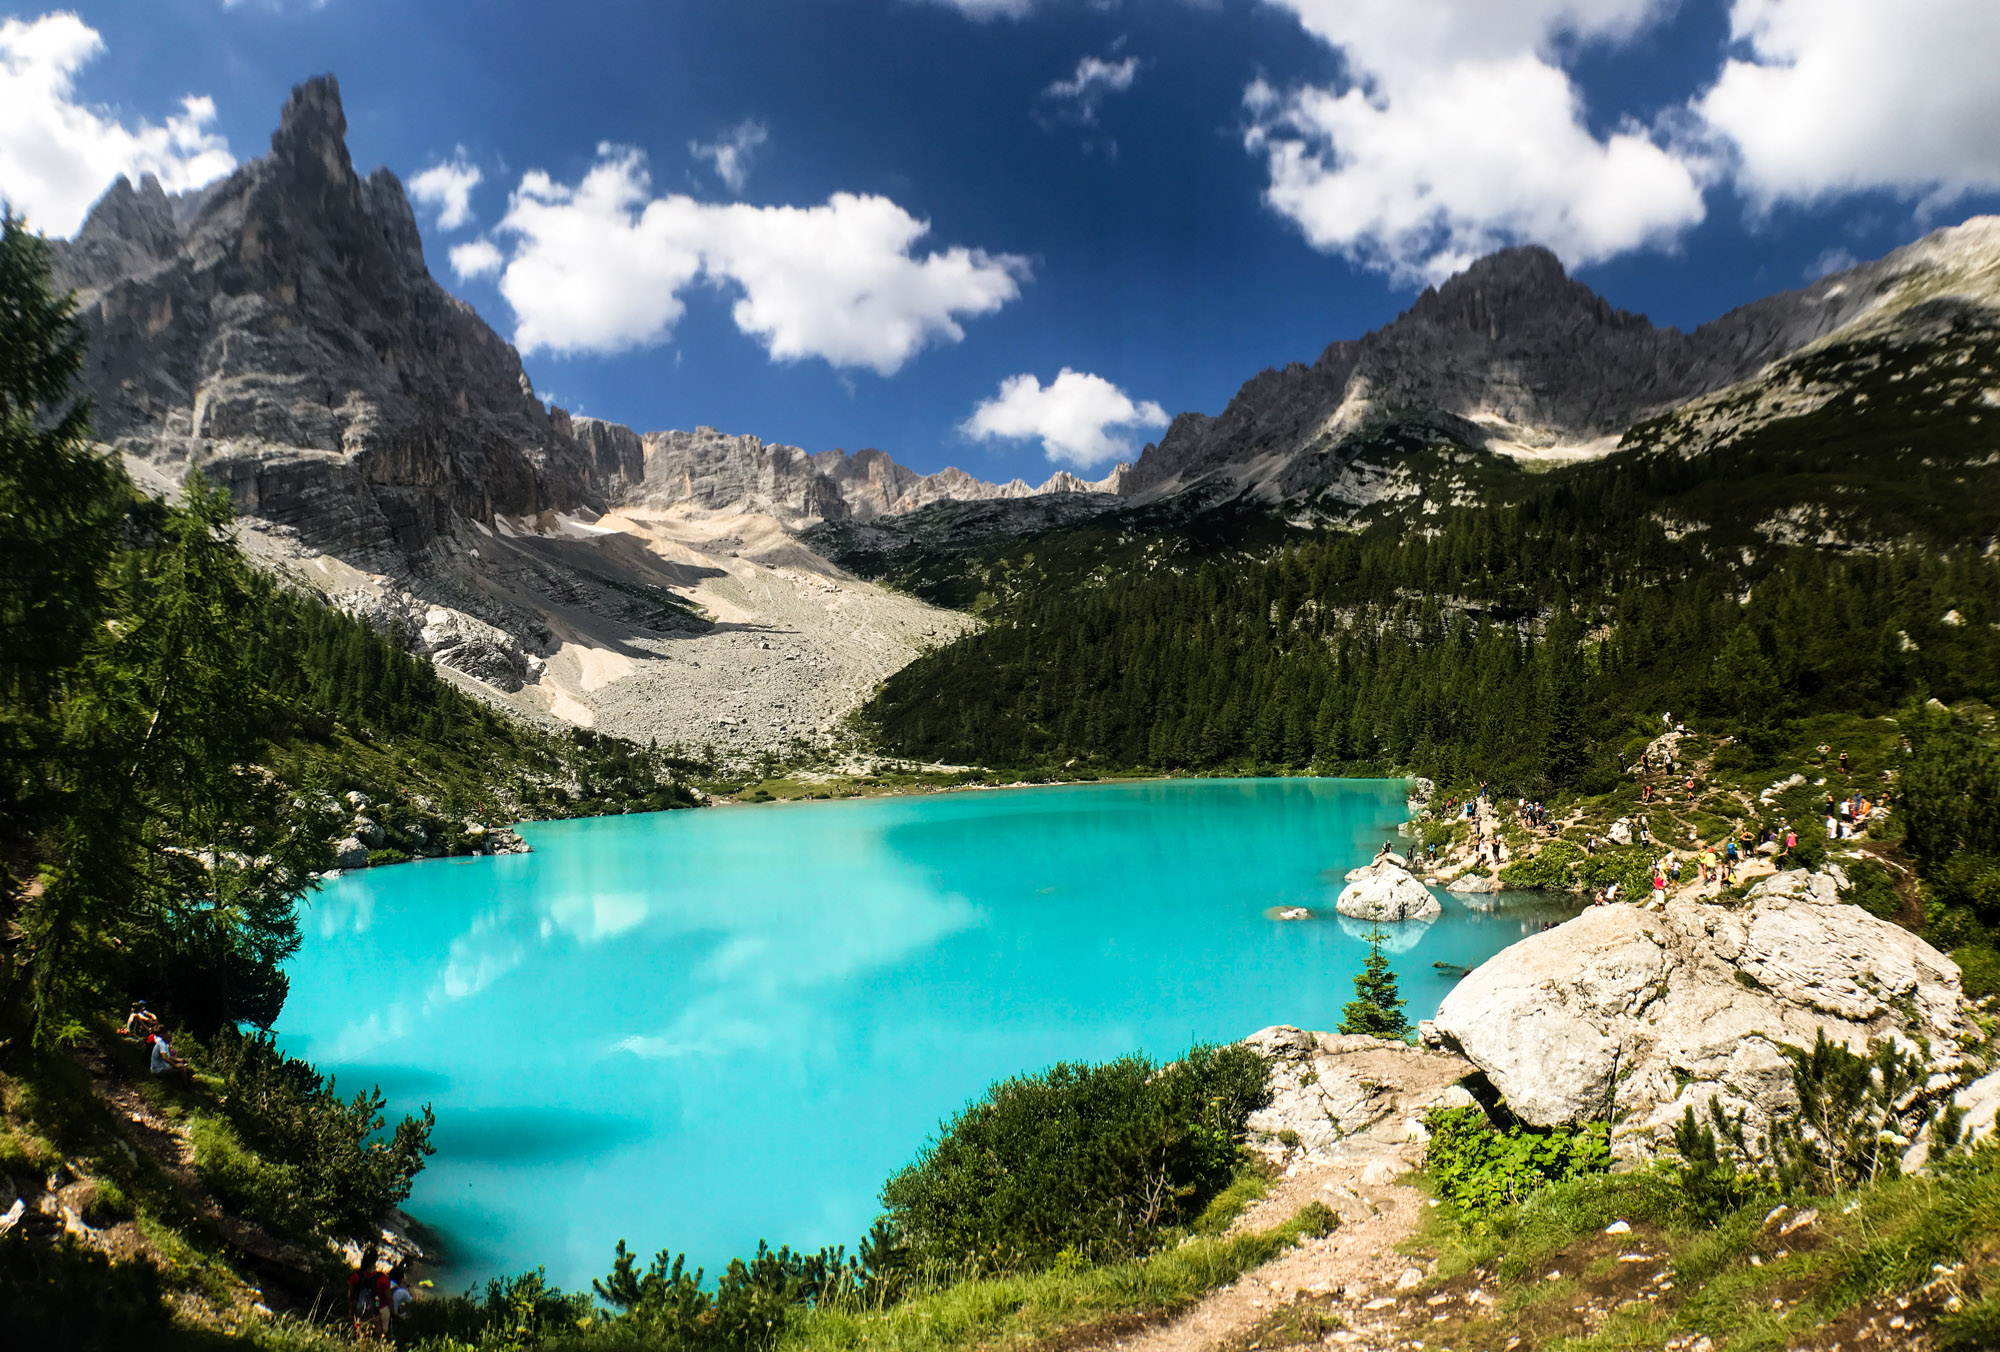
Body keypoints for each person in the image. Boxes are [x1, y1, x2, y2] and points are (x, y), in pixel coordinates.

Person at [350, 1247, 392, 1340]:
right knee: (380, 1338)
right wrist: (392, 1311)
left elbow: (351, 1295)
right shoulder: (382, 1278)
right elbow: (389, 1298)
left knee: (362, 1336)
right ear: (375, 1260)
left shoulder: (356, 1276)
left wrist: (352, 1309)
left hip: (361, 1310)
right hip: (379, 1312)